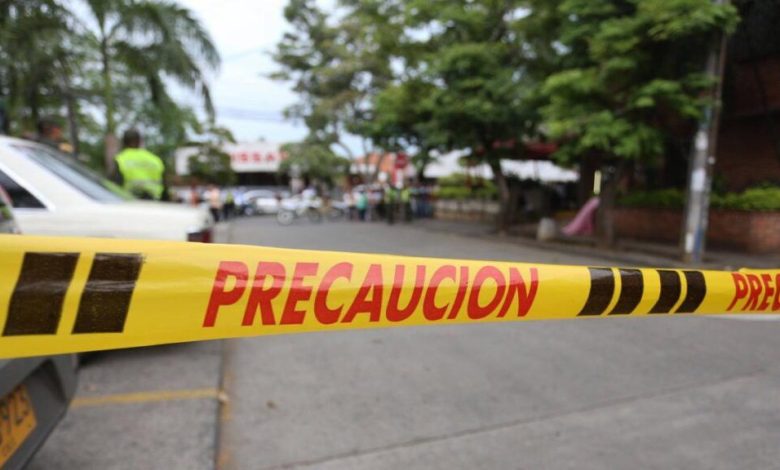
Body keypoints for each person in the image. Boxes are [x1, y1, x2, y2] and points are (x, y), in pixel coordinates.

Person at [114, 129, 165, 200]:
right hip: (155, 202)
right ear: (140, 141)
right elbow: (165, 185)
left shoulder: (121, 159)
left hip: (129, 202)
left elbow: (114, 186)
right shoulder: (155, 160)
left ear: (124, 142)